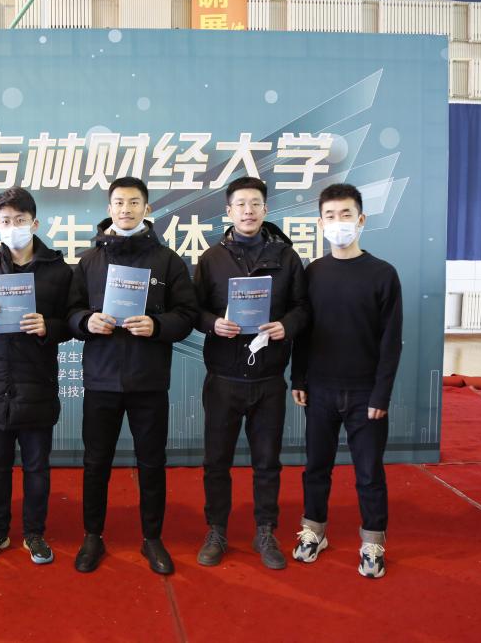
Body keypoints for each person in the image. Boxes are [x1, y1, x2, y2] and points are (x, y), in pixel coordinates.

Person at [67, 176, 199, 575]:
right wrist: (87, 321)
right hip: (101, 378)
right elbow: (70, 312)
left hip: (149, 379)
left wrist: (157, 326)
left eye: (134, 202)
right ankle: (93, 535)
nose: (126, 209)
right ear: (109, 209)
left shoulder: (167, 260)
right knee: (96, 462)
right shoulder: (89, 261)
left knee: (152, 462)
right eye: (119, 202)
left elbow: (187, 315)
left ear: (147, 208)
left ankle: (152, 538)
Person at [193, 176, 308, 570]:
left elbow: (303, 308)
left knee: (267, 462)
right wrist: (212, 324)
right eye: (240, 204)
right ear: (228, 211)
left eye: (255, 203)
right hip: (223, 378)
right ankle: (216, 531)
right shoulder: (211, 258)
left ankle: (265, 531)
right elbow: (193, 310)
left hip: (268, 379)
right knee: (216, 462)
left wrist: (285, 326)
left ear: (265, 209)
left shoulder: (287, 257)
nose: (248, 210)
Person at [290, 183, 403, 579]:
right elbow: (303, 331)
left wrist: (381, 394)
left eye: (346, 215)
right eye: (330, 216)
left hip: (365, 393)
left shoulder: (383, 274)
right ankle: (313, 531)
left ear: (361, 219)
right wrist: (298, 377)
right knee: (315, 467)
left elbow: (391, 342)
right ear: (321, 223)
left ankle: (373, 541)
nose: (339, 222)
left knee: (369, 472)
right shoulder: (313, 273)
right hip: (319, 389)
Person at [0, 188, 73, 565]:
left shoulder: (59, 270)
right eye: (6, 221)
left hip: (37, 381)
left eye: (20, 220)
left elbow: (73, 320)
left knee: (37, 466)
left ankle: (34, 533)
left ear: (34, 223)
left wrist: (49, 326)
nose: (13, 227)